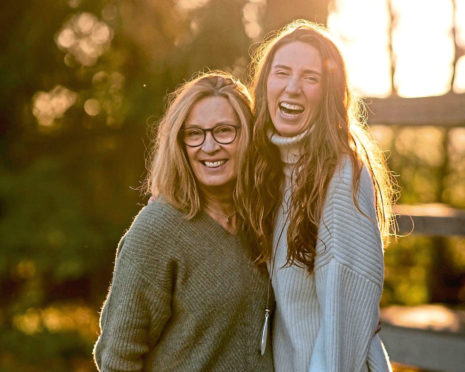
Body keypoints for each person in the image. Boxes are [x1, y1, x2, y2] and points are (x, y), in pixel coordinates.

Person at [241, 20, 396, 371]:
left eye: (310, 78)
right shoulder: (269, 169)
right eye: (282, 72)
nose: (292, 87)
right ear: (265, 82)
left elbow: (343, 324)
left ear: (328, 93)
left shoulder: (340, 174)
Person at [93, 72, 274, 371]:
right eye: (194, 133)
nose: (209, 146)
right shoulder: (157, 229)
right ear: (180, 143)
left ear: (249, 136)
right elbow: (117, 357)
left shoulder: (259, 221)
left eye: (224, 130)